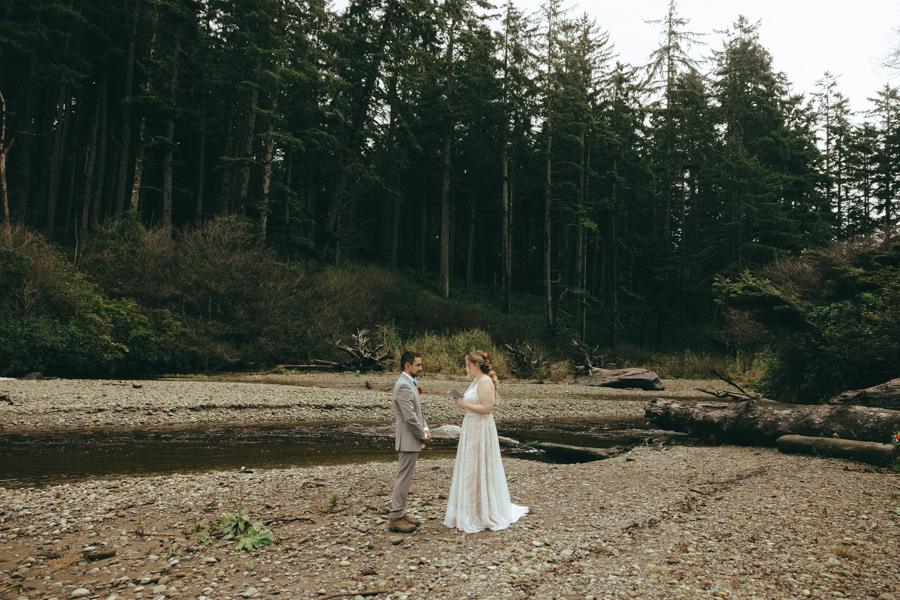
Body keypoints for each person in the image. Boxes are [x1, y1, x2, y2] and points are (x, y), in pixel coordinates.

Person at [444, 350, 528, 533]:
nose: (466, 368)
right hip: (471, 426)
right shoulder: (476, 380)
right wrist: (461, 399)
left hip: (481, 428)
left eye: (467, 365)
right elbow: (474, 401)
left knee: (479, 465)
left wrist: (463, 404)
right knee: (470, 466)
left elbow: (487, 408)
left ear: (476, 365)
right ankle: (470, 509)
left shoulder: (484, 381)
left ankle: (483, 511)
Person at [390, 351, 431, 533]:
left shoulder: (409, 383)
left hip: (411, 438)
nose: (421, 368)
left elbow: (418, 412)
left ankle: (400, 513)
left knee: (405, 478)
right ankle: (395, 518)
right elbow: (410, 417)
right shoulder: (403, 386)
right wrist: (422, 435)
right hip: (408, 439)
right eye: (418, 365)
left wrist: (426, 428)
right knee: (403, 478)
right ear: (408, 366)